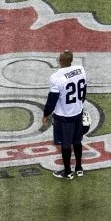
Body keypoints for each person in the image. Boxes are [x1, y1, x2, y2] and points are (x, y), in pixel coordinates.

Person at [42, 51, 87, 179]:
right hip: (78, 112)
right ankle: (79, 167)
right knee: (78, 141)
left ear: (60, 60)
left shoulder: (56, 77)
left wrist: (46, 114)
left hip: (64, 116)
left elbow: (52, 99)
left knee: (66, 144)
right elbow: (84, 90)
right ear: (71, 60)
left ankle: (67, 172)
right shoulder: (80, 70)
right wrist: (78, 105)